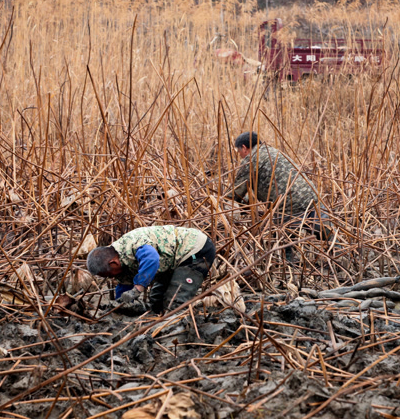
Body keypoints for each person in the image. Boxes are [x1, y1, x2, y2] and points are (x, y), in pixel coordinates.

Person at [227, 132, 332, 260]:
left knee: (286, 243)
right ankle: (341, 258)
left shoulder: (252, 159)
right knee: (328, 233)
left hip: (288, 205)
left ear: (244, 148)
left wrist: (220, 203)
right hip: (310, 195)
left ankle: (290, 266)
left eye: (239, 152)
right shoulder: (273, 152)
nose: (240, 155)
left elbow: (235, 193)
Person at [85, 226, 216, 314]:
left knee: (175, 303)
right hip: (170, 261)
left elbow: (152, 259)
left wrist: (138, 288)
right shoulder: (119, 264)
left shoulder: (133, 243)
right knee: (156, 301)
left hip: (195, 250)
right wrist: (119, 306)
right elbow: (124, 287)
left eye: (109, 275)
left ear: (113, 263)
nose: (111, 278)